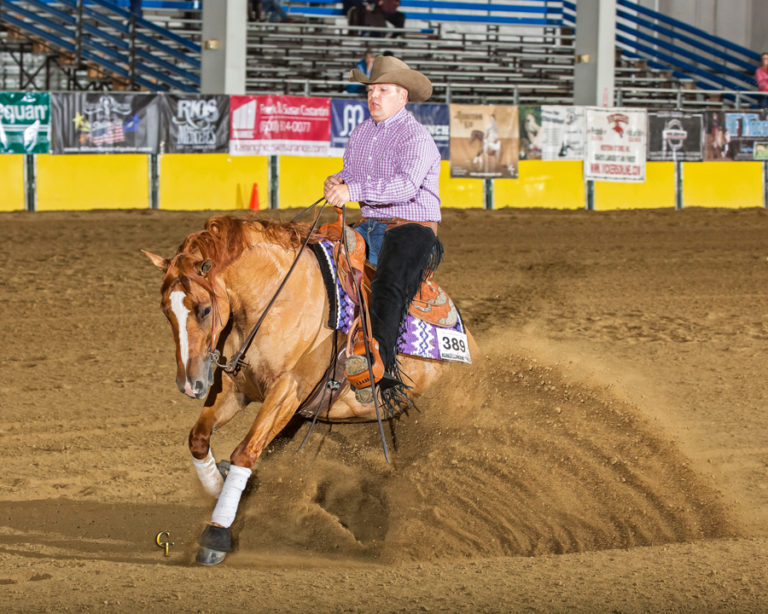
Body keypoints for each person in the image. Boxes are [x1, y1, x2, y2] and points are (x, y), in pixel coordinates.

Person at [323, 55, 441, 404]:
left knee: (389, 282)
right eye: (371, 90)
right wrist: (340, 180)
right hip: (373, 222)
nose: (373, 97)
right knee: (321, 255)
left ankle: (380, 368)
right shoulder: (361, 133)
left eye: (383, 90)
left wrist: (352, 191)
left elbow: (406, 186)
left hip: (412, 225)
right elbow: (355, 176)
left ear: (402, 96)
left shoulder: (416, 137)